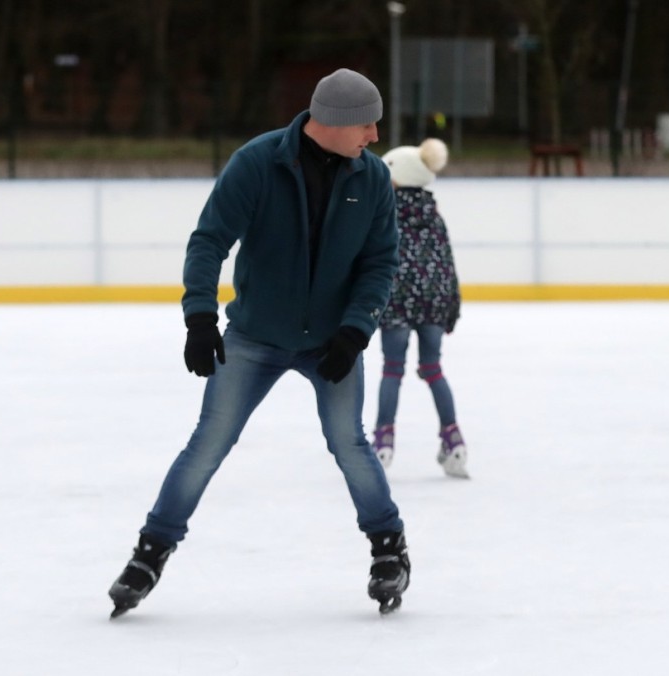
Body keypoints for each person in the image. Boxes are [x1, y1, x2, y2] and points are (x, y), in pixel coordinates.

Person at [108, 68, 410, 618]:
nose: (373, 135)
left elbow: (380, 263)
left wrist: (354, 329)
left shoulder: (371, 180)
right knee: (209, 442)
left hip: (330, 343)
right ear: (336, 121)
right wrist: (200, 318)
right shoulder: (258, 163)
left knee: (349, 443)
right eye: (367, 123)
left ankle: (389, 547)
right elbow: (209, 241)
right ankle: (151, 551)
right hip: (253, 337)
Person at [371, 138, 468, 479]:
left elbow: (373, 258)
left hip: (396, 299)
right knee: (433, 369)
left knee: (392, 370)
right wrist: (450, 308)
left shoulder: (383, 210)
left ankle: (383, 443)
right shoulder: (433, 213)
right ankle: (454, 440)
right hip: (433, 302)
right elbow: (447, 263)